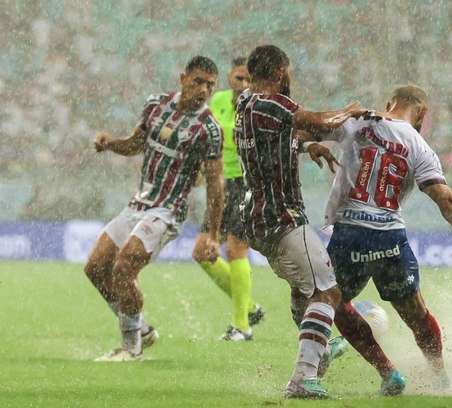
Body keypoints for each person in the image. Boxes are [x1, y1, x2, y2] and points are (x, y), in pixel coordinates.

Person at [316, 84, 452, 395]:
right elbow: (446, 201)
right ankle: (440, 378)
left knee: (334, 303)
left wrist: (344, 113)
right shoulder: (420, 147)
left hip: (350, 234)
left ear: (389, 103)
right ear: (422, 113)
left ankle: (388, 373)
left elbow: (310, 125)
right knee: (417, 315)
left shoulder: (359, 121)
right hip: (390, 239)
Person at [234, 44, 366, 399]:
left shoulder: (244, 104)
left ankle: (318, 349)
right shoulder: (272, 103)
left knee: (302, 289)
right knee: (328, 291)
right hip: (282, 216)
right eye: (288, 72)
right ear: (279, 73)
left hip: (257, 218)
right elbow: (321, 122)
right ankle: (304, 375)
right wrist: (350, 110)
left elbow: (278, 139)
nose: (289, 78)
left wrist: (308, 147)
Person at [85, 55, 225, 361]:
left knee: (123, 268)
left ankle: (130, 348)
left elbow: (215, 183)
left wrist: (214, 234)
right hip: (139, 203)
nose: (203, 89)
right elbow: (136, 144)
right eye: (198, 81)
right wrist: (110, 143)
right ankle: (142, 330)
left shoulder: (209, 128)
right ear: (183, 78)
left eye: (210, 85)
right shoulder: (155, 106)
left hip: (168, 210)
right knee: (95, 268)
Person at [192, 57, 265, 341]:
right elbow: (206, 139)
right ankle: (248, 307)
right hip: (220, 184)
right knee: (202, 251)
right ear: (230, 77)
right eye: (239, 79)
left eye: (249, 80)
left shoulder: (258, 107)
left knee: (236, 248)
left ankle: (241, 326)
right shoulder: (218, 101)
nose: (244, 85)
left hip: (247, 183)